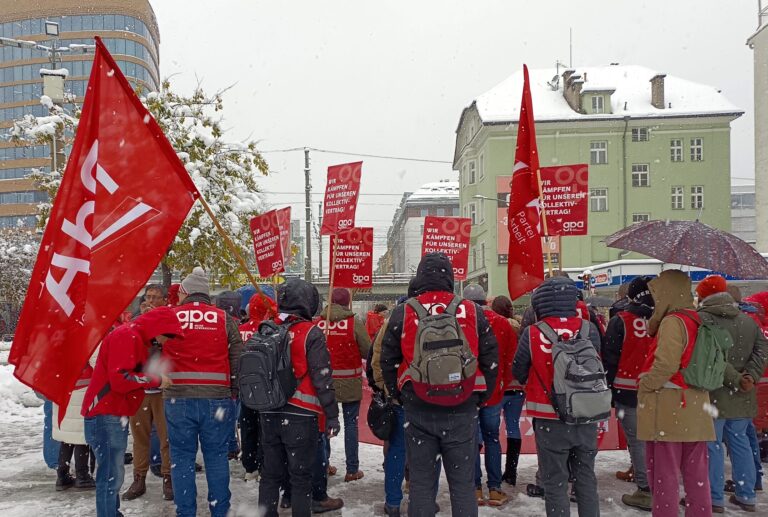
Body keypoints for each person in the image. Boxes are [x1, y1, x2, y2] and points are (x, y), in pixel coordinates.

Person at [381, 252, 498, 517]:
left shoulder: (404, 311)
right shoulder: (471, 309)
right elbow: (491, 357)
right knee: (463, 485)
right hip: (462, 406)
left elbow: (387, 359)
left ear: (420, 275)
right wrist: (479, 397)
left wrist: (400, 395)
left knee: (421, 484)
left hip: (419, 407)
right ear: (450, 277)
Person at [512, 276, 603, 517]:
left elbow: (518, 371)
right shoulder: (589, 328)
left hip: (549, 417)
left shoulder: (533, 333)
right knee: (585, 478)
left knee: (555, 483)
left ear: (540, 304)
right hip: (586, 413)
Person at [82, 306, 180, 517]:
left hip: (110, 413)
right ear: (158, 329)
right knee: (111, 475)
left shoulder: (134, 335)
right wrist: (157, 380)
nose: (165, 342)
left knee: (112, 474)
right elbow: (120, 379)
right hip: (105, 414)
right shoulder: (128, 335)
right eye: (167, 335)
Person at [162, 267, 244, 517]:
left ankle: (185, 512)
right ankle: (220, 511)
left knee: (182, 457)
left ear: (185, 292)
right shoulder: (223, 318)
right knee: (217, 457)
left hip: (178, 398)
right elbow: (237, 355)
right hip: (216, 399)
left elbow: (153, 347)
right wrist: (234, 388)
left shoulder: (170, 317)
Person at [257, 278, 342, 516]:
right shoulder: (310, 333)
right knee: (301, 478)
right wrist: (332, 416)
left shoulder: (266, 328)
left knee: (270, 475)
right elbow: (322, 378)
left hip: (269, 411)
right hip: (301, 414)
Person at [637, 269, 716, 517]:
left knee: (664, 475)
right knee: (696, 474)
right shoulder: (698, 318)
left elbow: (666, 365)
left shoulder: (673, 321)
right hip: (697, 403)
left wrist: (646, 383)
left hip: (670, 405)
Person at [695, 276, 768, 512]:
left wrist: (736, 379)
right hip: (742, 396)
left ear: (705, 296)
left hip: (713, 392)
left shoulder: (703, 320)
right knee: (741, 443)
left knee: (712, 446)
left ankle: (714, 497)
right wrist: (750, 376)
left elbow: (714, 355)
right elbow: (762, 349)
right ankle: (746, 494)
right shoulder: (748, 321)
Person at [602, 276, 655, 510]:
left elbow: (609, 358)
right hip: (660, 389)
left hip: (627, 389)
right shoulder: (665, 319)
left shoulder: (620, 320)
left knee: (637, 441)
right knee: (658, 440)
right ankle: (659, 482)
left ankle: (645, 489)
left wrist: (609, 388)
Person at [122, 284, 174, 502]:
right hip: (140, 387)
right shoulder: (135, 321)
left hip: (163, 387)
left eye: (156, 297)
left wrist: (154, 323)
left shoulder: (169, 319)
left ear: (164, 300)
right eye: (148, 297)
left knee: (166, 438)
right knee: (139, 438)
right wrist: (140, 323)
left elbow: (168, 346)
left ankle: (168, 479)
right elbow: (128, 347)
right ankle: (139, 478)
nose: (151, 300)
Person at [463, 285, 514, 507]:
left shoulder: (461, 321)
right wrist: (501, 382)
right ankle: (494, 489)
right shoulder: (502, 323)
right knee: (492, 438)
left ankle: (474, 489)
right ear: (485, 301)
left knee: (472, 441)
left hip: (467, 390)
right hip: (493, 392)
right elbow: (511, 360)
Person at [317, 287, 371, 482]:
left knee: (324, 425)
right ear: (348, 302)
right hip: (350, 383)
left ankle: (324, 464)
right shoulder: (354, 323)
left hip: (324, 383)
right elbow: (367, 351)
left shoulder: (319, 324)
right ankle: (352, 469)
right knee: (351, 424)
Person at [238, 291, 278, 482]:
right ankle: (263, 464)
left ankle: (249, 465)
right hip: (266, 388)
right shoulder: (270, 330)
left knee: (247, 427)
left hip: (245, 388)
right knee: (265, 429)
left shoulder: (240, 329)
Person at [491, 295, 525, 486]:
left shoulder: (496, 326)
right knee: (513, 426)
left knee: (491, 430)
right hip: (518, 385)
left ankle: (492, 474)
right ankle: (511, 471)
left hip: (500, 384)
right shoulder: (521, 328)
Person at [53, 362, 96, 491]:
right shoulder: (84, 343)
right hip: (82, 389)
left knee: (67, 437)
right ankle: (82, 475)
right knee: (81, 437)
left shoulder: (58, 343)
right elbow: (96, 362)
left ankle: (62, 475)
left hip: (63, 389)